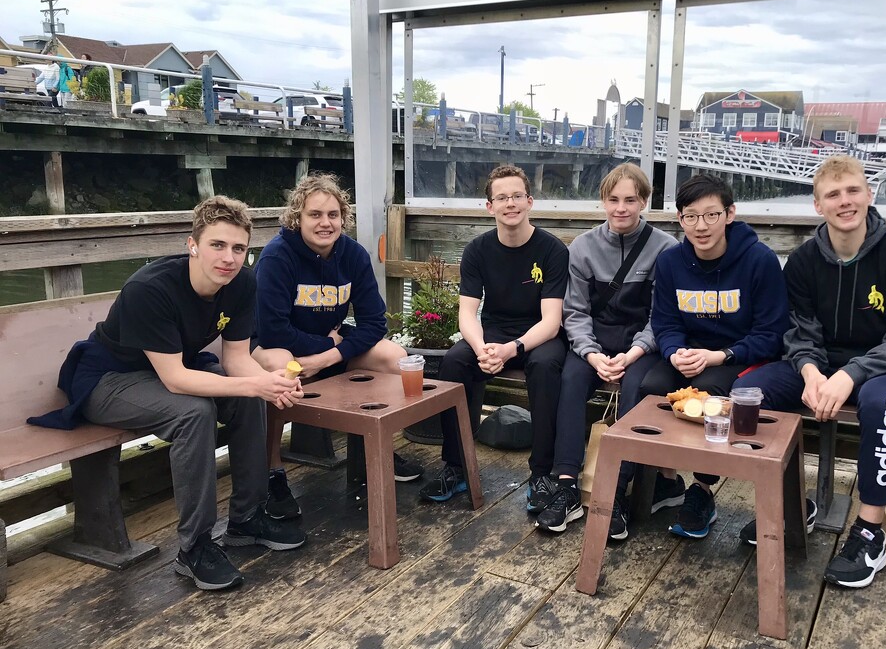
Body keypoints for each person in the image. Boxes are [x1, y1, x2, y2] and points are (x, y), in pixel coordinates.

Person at [30, 196, 307, 591]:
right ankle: (194, 547)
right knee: (193, 412)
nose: (228, 257)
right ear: (192, 245)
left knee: (250, 397)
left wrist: (271, 380)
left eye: (239, 248)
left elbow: (238, 360)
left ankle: (247, 518)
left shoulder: (242, 283)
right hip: (107, 381)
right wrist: (253, 383)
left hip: (167, 371)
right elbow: (177, 380)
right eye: (217, 245)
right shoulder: (151, 288)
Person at [733, 155, 886, 588]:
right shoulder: (806, 260)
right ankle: (793, 505)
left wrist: (852, 374)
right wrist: (809, 371)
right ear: (817, 205)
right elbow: (798, 330)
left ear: (869, 194)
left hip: (885, 368)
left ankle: (869, 531)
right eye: (833, 195)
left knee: (879, 403)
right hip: (820, 367)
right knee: (749, 392)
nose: (845, 202)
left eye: (853, 191)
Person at [252, 171, 424, 513]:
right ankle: (272, 473)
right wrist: (324, 346)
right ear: (297, 217)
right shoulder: (277, 257)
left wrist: (329, 355)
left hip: (325, 347)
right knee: (280, 371)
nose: (325, 223)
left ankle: (377, 447)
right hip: (275, 346)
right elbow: (272, 329)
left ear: (343, 218)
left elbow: (375, 322)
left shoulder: (353, 255)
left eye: (333, 215)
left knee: (394, 356)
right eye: (314, 215)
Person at [536, 163, 678, 539]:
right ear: (603, 201)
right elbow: (575, 311)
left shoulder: (666, 249)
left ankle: (616, 489)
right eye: (613, 200)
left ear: (644, 202)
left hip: (642, 344)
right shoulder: (583, 247)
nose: (621, 208)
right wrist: (591, 353)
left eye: (630, 200)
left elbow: (662, 316)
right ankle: (566, 482)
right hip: (595, 342)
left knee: (636, 389)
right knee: (570, 379)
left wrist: (634, 353)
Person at [644, 174, 791, 539]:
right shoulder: (671, 262)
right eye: (691, 217)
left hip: (738, 357)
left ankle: (703, 489)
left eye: (711, 215)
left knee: (709, 393)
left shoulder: (759, 261)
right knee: (651, 386)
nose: (701, 226)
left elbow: (771, 334)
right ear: (680, 220)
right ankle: (661, 479)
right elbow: (664, 321)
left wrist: (721, 355)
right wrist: (674, 352)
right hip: (689, 352)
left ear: (730, 214)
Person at [419, 164, 569, 504]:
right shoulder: (477, 250)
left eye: (517, 196)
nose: (510, 203)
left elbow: (552, 322)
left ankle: (542, 473)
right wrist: (483, 347)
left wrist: (511, 350)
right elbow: (467, 313)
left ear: (530, 202)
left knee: (546, 367)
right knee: (455, 361)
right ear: (490, 207)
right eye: (501, 198)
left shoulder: (552, 251)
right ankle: (456, 466)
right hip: (493, 331)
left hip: (537, 335)